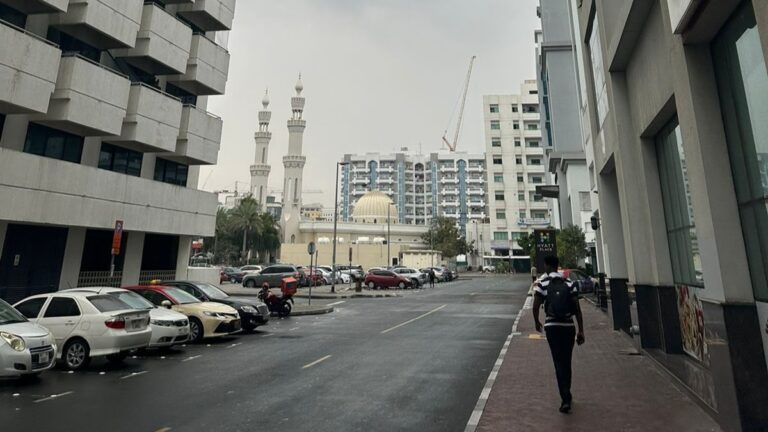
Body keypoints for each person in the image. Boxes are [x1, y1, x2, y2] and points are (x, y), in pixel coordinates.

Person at [532, 255, 585, 413]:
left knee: (558, 361)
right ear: (558, 266)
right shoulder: (569, 283)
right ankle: (567, 394)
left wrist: (537, 321)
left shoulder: (543, 282)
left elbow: (535, 305)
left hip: (552, 327)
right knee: (566, 361)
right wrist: (581, 330)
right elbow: (577, 308)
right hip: (568, 327)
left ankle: (565, 398)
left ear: (548, 266)